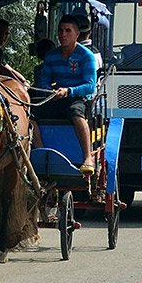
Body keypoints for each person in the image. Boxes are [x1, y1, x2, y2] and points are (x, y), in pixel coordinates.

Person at [36, 14, 99, 172]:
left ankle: (87, 157)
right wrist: (49, 91)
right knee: (29, 115)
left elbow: (90, 86)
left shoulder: (87, 56)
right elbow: (43, 80)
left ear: (77, 34)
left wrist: (68, 91)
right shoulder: (51, 56)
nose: (62, 34)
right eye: (60, 31)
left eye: (67, 31)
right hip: (55, 97)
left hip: (77, 99)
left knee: (76, 114)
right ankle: (40, 154)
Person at [0, 18, 28, 84]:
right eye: (0, 33)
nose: (3, 36)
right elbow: (2, 68)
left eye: (6, 34)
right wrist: (20, 82)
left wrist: (24, 81)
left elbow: (7, 68)